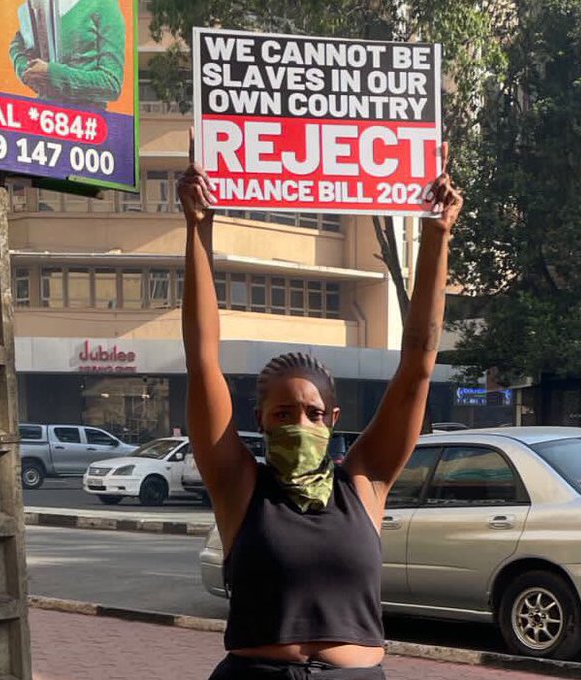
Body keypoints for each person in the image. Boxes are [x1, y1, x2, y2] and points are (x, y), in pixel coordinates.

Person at [178, 130, 463, 679]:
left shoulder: (366, 483)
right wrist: (198, 229)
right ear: (258, 420)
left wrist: (436, 234)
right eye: (282, 414)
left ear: (334, 421)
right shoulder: (240, 486)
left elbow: (418, 363)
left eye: (312, 413)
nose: (298, 424)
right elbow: (202, 359)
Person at [9, 0, 125, 110]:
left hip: (85, 120)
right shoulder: (41, 6)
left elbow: (111, 85)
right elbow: (17, 44)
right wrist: (27, 70)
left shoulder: (103, 4)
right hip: (44, 117)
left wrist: (52, 74)